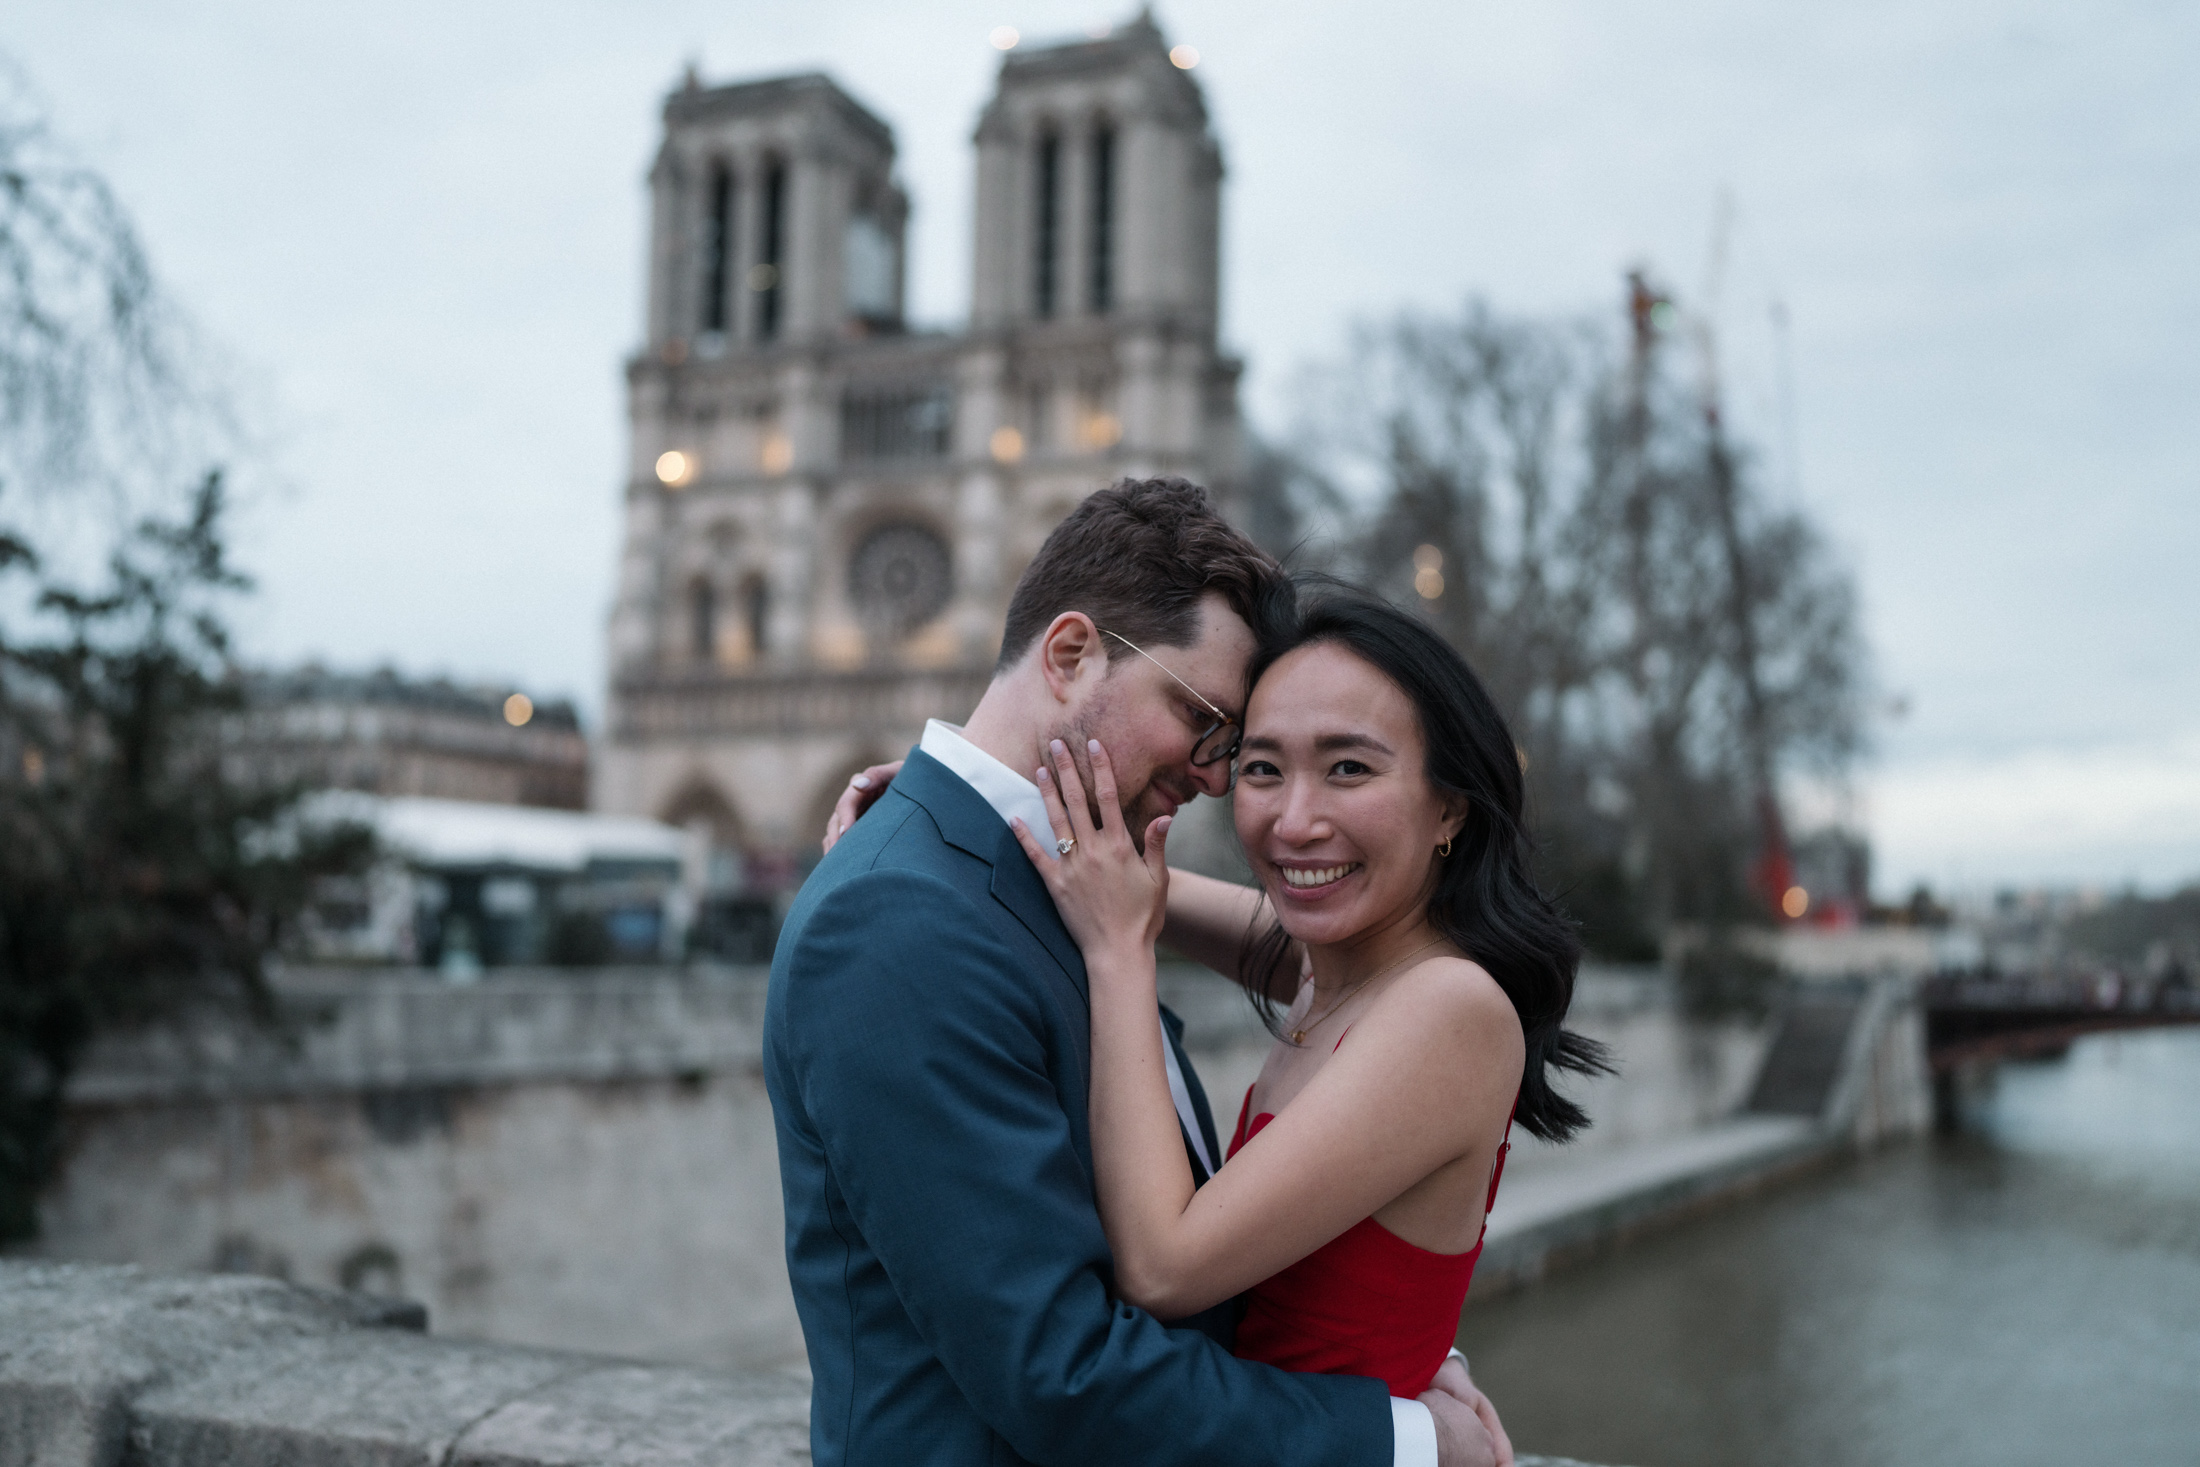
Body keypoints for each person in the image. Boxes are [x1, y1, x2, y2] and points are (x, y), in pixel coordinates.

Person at [770, 478, 1504, 1467]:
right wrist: (1404, 1435)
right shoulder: (896, 920)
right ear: (1070, 654)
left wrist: (1397, 1342)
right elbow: (1060, 1371)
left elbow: (1336, 964)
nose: (1214, 776)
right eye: (1210, 727)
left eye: (1226, 748)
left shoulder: (1080, 884)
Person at [1006, 590, 1606, 1406]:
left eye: (1348, 767)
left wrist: (1119, 952)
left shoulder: (1448, 1008)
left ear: (1450, 809)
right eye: (1262, 768)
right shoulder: (1344, 970)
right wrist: (983, 810)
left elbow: (1162, 1266)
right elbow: (1153, 889)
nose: (1293, 821)